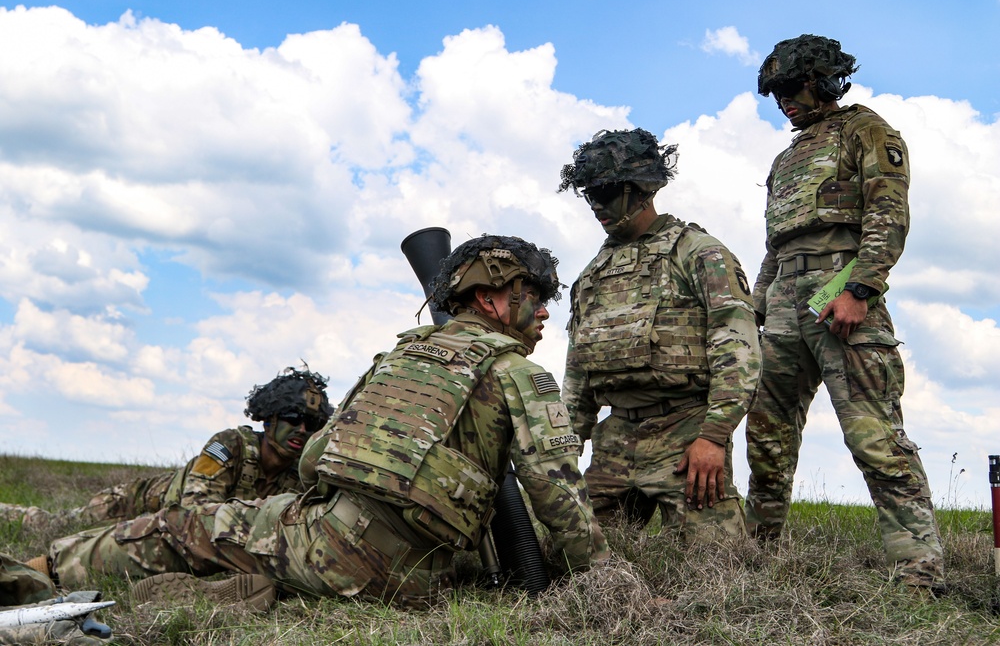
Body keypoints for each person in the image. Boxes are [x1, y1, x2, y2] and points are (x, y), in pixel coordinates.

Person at [34, 235, 608, 608]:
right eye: (532, 295)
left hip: (341, 554)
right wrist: (602, 580)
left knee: (183, 527)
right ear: (490, 300)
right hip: (420, 576)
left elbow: (313, 461)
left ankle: (41, 571)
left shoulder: (396, 361)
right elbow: (561, 498)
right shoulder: (521, 377)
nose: (543, 311)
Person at [745, 34, 944, 591]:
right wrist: (758, 305)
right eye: (775, 93)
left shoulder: (867, 130)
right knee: (766, 433)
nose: (783, 100)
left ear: (823, 79)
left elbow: (888, 211)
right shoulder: (786, 157)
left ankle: (919, 575)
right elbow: (777, 241)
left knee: (875, 437)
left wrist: (861, 287)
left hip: (841, 289)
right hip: (785, 295)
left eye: (791, 87)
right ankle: (758, 563)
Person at [557, 128, 761, 542]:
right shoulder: (591, 275)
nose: (597, 205)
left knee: (719, 574)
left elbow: (738, 349)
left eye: (608, 192)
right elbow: (578, 371)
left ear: (643, 190)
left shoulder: (700, 254)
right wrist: (565, 447)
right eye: (589, 194)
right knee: (565, 561)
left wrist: (713, 437)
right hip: (615, 437)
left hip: (686, 432)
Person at [1, 367, 331, 532]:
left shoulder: (297, 476)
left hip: (165, 528)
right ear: (268, 418)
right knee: (55, 524)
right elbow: (192, 509)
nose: (302, 430)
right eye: (292, 417)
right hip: (132, 505)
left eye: (312, 424)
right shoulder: (230, 445)